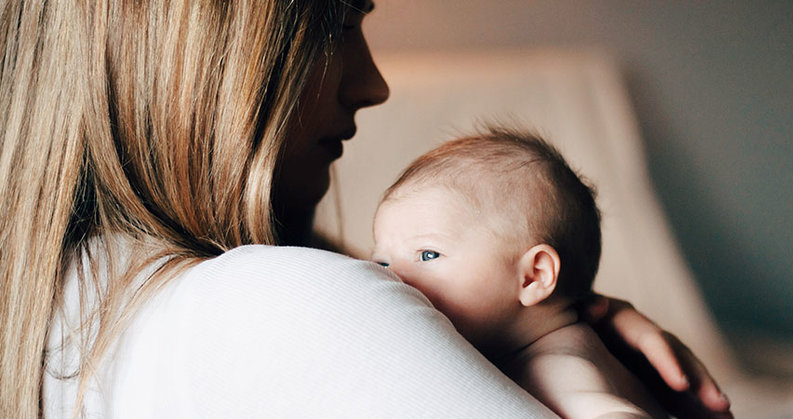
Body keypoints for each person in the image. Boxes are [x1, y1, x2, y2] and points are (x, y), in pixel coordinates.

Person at [0, 0, 731, 417]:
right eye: (333, 23)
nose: (373, 83)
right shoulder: (277, 302)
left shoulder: (61, 306)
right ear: (190, 50)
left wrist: (568, 320)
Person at [372, 128, 667, 418]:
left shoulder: (552, 365)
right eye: (382, 263)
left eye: (428, 254)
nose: (393, 277)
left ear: (533, 276)